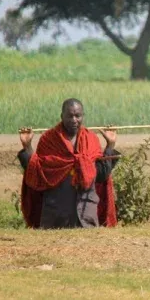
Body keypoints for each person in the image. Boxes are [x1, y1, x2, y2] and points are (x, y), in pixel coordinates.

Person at [17, 98, 120, 229]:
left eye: (78, 116)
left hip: (86, 216)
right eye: (69, 116)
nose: (74, 120)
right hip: (55, 217)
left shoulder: (91, 139)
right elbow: (37, 171)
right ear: (62, 116)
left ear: (83, 116)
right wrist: (27, 146)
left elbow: (100, 174)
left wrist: (110, 145)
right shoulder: (49, 140)